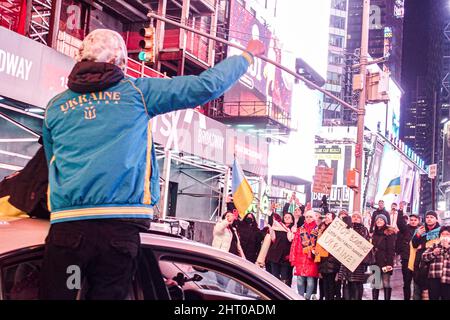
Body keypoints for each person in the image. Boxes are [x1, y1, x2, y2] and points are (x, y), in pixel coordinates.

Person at [39, 28, 265, 300]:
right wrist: (247, 56)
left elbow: (52, 162)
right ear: (119, 62)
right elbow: (205, 86)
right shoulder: (137, 93)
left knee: (65, 292)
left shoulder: (56, 106)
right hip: (117, 235)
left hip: (68, 234)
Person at [338, 212, 370, 300]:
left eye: (358, 217)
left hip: (358, 263)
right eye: (354, 216)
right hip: (346, 261)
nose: (355, 218)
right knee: (346, 283)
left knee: (356, 284)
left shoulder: (364, 230)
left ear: (361, 220)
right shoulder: (347, 228)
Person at [411, 210, 441, 299]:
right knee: (417, 292)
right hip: (419, 264)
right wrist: (418, 235)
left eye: (432, 217)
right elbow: (414, 245)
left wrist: (423, 245)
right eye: (427, 217)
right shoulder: (420, 230)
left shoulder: (441, 231)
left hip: (433, 265)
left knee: (432, 294)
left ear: (436, 219)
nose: (429, 219)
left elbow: (439, 245)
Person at [289, 210, 319, 300]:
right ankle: (300, 297)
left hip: (312, 258)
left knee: (310, 280)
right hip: (300, 257)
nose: (308, 218)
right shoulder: (300, 229)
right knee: (300, 279)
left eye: (310, 217)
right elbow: (295, 243)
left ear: (314, 218)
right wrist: (293, 257)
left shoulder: (318, 230)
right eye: (307, 217)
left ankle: (307, 298)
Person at [396, 204, 420, 300]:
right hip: (406, 259)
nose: (413, 222)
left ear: (418, 221)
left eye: (415, 220)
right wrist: (400, 210)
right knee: (407, 282)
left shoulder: (422, 230)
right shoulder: (405, 229)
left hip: (417, 260)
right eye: (411, 220)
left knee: (417, 283)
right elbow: (400, 223)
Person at [315, 212, 340, 300]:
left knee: (331, 285)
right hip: (323, 260)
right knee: (325, 284)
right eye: (325, 217)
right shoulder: (321, 229)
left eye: (328, 217)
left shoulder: (336, 229)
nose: (326, 218)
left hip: (332, 261)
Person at [371, 214, 397, 300]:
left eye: (381, 220)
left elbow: (391, 250)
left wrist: (390, 263)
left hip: (386, 262)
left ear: (385, 222)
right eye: (377, 220)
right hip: (375, 262)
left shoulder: (389, 233)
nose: (379, 221)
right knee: (376, 284)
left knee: (386, 283)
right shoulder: (374, 233)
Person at [421, 226, 450, 300]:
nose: (445, 236)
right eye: (443, 234)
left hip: (447, 278)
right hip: (434, 278)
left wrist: (447, 248)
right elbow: (424, 257)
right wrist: (433, 253)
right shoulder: (434, 245)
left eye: (447, 234)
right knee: (433, 297)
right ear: (440, 236)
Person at [266, 212, 295, 284]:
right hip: (275, 255)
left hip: (286, 257)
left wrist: (291, 231)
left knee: (285, 277)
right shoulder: (278, 227)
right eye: (285, 217)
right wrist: (271, 212)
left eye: (289, 217)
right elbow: (270, 223)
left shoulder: (294, 229)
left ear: (292, 220)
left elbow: (291, 240)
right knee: (274, 276)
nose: (287, 218)